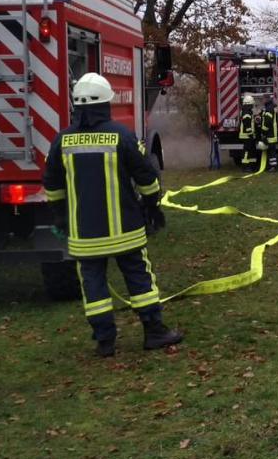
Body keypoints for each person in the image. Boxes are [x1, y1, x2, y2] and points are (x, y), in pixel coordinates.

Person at [43, 73, 183, 356]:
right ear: (107, 103)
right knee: (139, 278)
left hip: (84, 234)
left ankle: (105, 341)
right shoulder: (122, 136)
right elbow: (147, 177)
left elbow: (53, 185)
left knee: (92, 285)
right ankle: (154, 330)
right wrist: (152, 207)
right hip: (126, 230)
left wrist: (60, 216)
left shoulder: (63, 141)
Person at [237, 93, 258, 168]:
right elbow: (247, 125)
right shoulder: (246, 112)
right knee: (247, 150)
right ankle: (245, 165)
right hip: (246, 136)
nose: (252, 106)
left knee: (252, 150)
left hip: (248, 135)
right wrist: (250, 134)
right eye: (252, 104)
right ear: (249, 104)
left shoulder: (246, 111)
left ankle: (252, 165)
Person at [259, 95, 278, 172]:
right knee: (271, 151)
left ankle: (273, 167)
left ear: (266, 99)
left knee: (271, 151)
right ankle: (271, 166)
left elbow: (267, 121)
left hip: (270, 134)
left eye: (263, 99)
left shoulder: (269, 109)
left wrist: (263, 131)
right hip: (271, 134)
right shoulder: (269, 107)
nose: (262, 100)